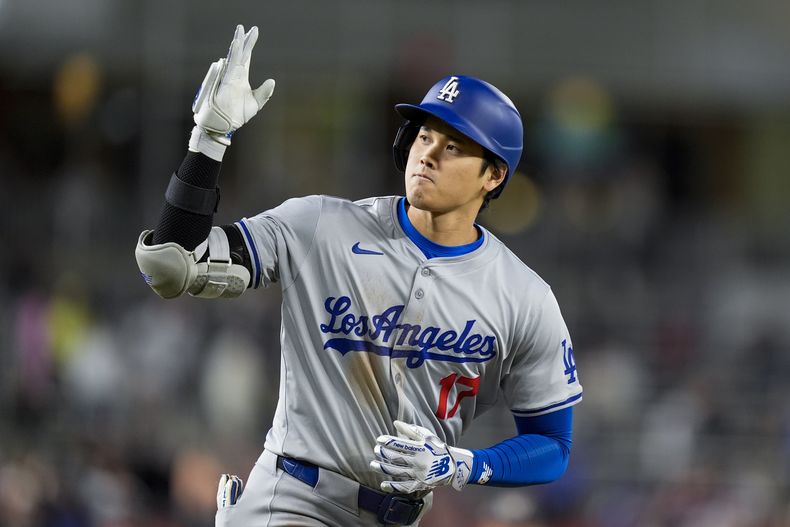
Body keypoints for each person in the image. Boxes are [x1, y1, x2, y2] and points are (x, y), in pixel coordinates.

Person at [135, 25, 582, 527]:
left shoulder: (523, 295)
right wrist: (209, 141)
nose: (428, 153)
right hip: (293, 499)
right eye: (425, 134)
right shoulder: (321, 225)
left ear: (494, 175)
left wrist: (464, 466)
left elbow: (553, 445)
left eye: (454, 145)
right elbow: (173, 264)